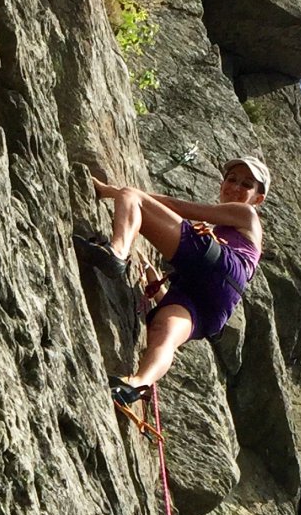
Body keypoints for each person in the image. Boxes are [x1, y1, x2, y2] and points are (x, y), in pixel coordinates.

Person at [78, 157, 269, 405]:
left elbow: (179, 207)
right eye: (231, 179)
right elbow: (205, 284)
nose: (234, 187)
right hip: (217, 305)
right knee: (164, 333)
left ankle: (117, 252)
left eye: (246, 185)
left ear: (257, 198)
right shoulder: (234, 230)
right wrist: (157, 285)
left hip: (220, 265)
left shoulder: (247, 214)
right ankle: (135, 384)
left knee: (132, 196)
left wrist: (111, 191)